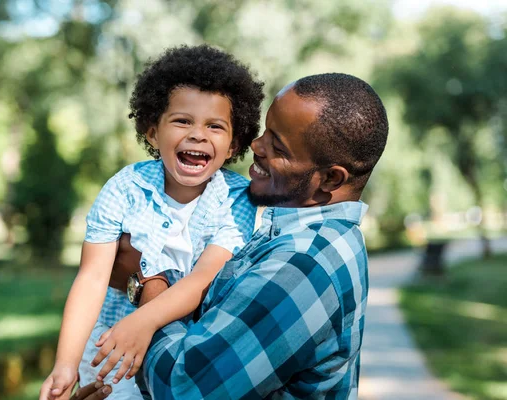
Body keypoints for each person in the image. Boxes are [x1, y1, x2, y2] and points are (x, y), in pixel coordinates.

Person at [87, 72, 389, 399]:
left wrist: (145, 282)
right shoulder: (307, 237)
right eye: (265, 132)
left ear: (330, 179)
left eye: (277, 146)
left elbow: (183, 387)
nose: (255, 146)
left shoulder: (302, 265)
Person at [39, 45, 264, 400]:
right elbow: (93, 277)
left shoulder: (237, 198)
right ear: (153, 132)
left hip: (189, 350)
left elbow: (205, 278)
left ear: (234, 144)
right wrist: (65, 365)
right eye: (182, 121)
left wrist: (143, 322)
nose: (198, 134)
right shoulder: (124, 188)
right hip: (112, 348)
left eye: (215, 126)